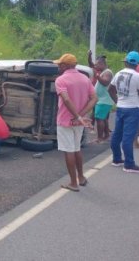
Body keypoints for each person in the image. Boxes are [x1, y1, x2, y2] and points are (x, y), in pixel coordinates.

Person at [53, 53, 97, 192]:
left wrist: (77, 116)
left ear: (65, 66)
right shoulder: (85, 79)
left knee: (69, 151)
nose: (58, 66)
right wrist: (81, 115)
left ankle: (73, 183)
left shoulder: (61, 80)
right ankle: (81, 177)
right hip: (79, 122)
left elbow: (66, 100)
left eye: (60, 64)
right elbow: (94, 98)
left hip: (66, 121)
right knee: (77, 149)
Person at [108, 51, 139, 173]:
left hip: (120, 107)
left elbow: (111, 89)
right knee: (128, 137)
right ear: (137, 64)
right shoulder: (138, 76)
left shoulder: (119, 73)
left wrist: (117, 101)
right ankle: (129, 164)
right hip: (133, 109)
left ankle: (117, 159)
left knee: (117, 134)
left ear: (126, 62)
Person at [87, 50, 114, 143]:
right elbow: (91, 65)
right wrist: (89, 57)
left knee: (99, 119)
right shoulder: (103, 71)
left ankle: (100, 137)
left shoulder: (108, 72)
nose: (96, 66)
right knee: (104, 119)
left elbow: (106, 82)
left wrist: (97, 76)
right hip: (102, 100)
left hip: (104, 100)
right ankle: (106, 135)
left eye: (98, 64)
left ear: (102, 64)